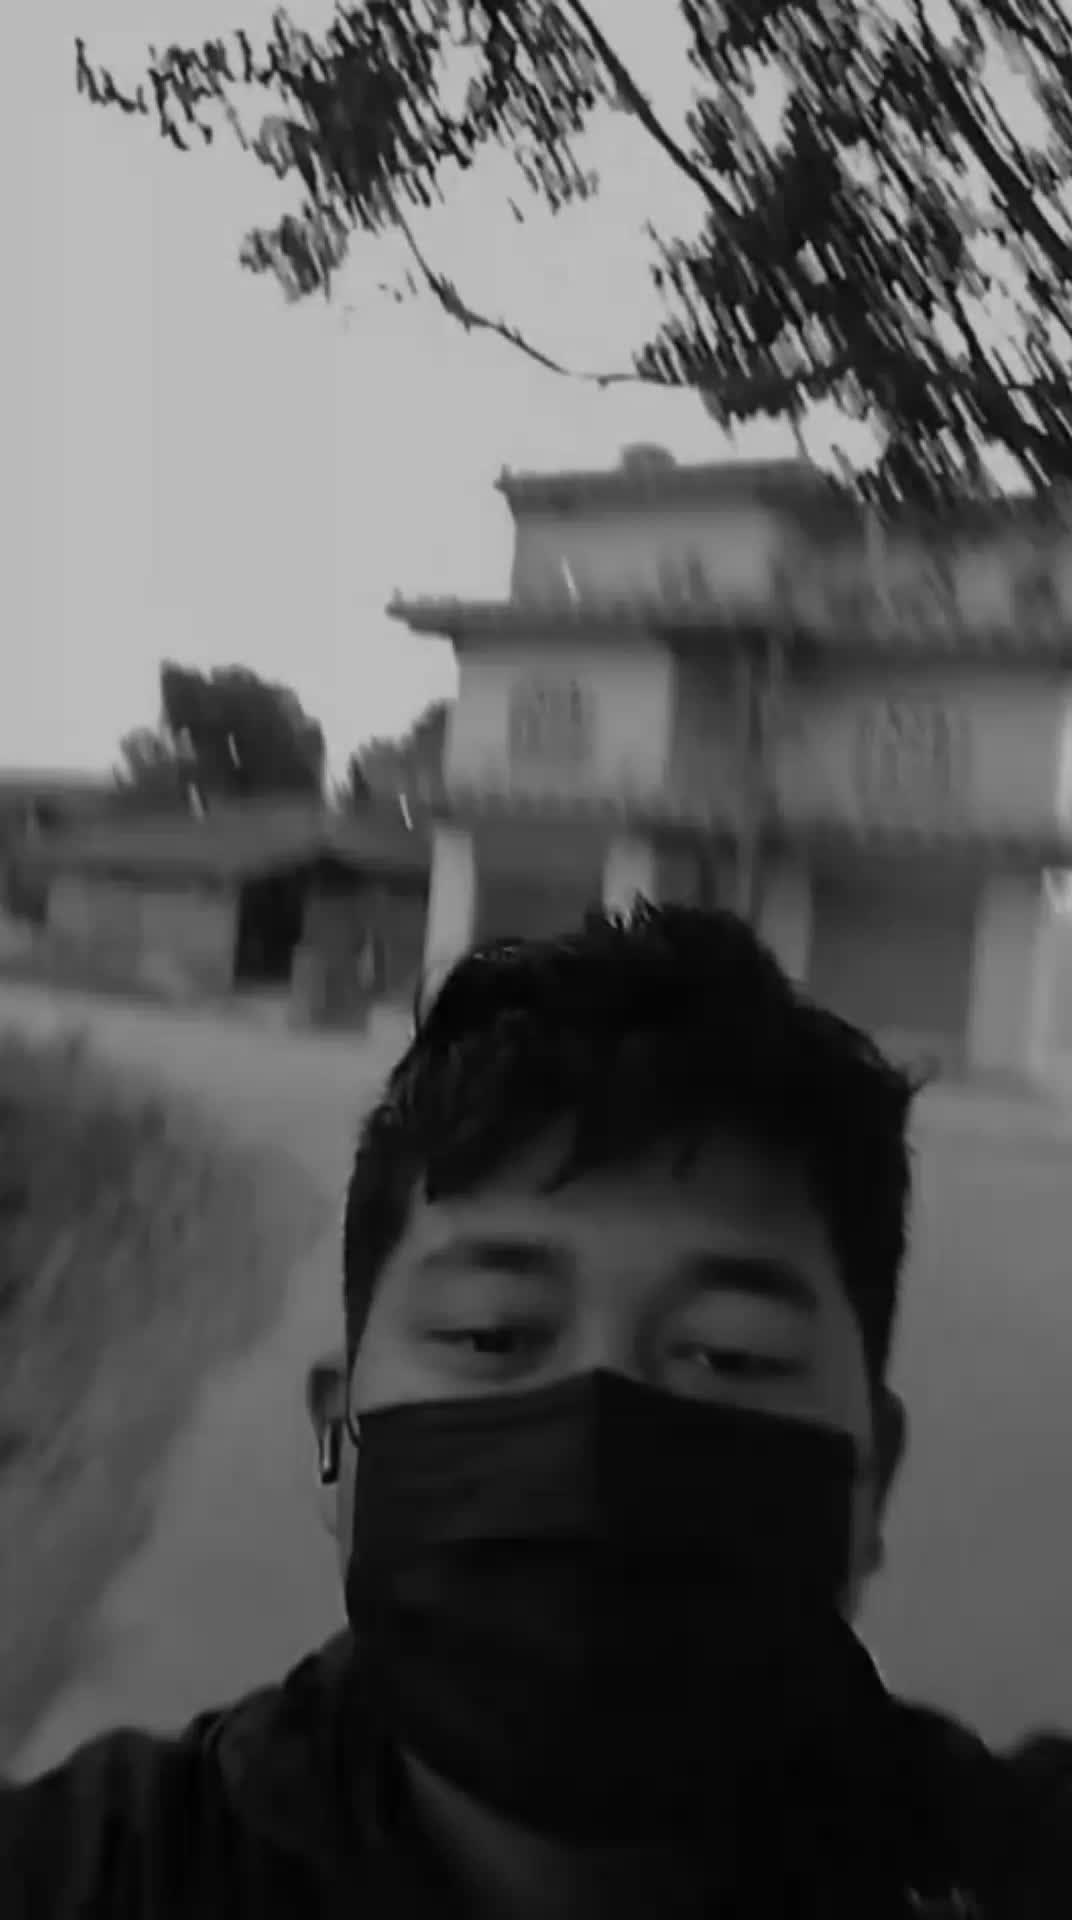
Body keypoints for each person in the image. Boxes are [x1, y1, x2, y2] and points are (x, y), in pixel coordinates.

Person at [2, 901, 1069, 1918]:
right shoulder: (92, 1877)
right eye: (491, 1334)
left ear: (872, 1477)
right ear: (340, 1441)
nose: (596, 1434)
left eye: (730, 1353)